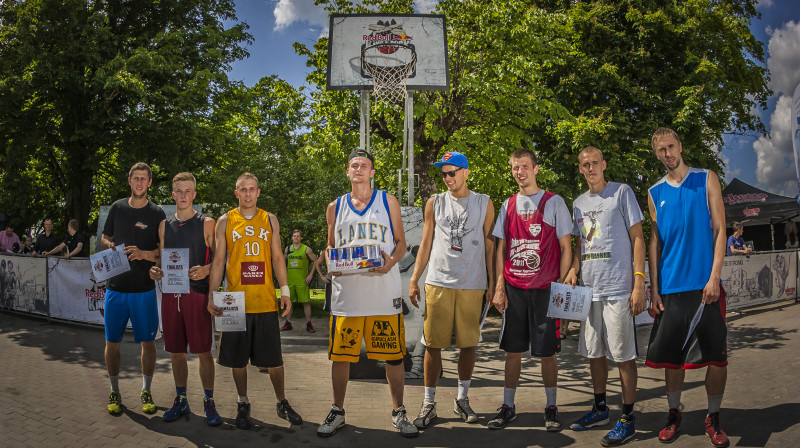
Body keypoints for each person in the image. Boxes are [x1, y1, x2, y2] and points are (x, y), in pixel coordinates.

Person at [317, 149, 417, 438]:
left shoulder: (388, 201)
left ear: (372, 172)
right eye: (354, 165)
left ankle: (399, 411)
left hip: (382, 296)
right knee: (341, 357)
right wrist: (330, 261)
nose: (359, 169)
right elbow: (329, 246)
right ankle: (337, 411)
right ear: (347, 172)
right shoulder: (335, 207)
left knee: (394, 358)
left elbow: (401, 243)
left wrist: (391, 262)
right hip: (347, 298)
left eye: (364, 165)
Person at [647, 127, 729, 447]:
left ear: (680, 146)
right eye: (661, 150)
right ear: (656, 155)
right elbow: (655, 243)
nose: (668, 154)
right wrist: (654, 290)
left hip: (706, 286)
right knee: (673, 360)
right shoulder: (654, 192)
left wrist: (714, 277)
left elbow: (721, 229)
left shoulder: (706, 177)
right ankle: (673, 413)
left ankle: (713, 416)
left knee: (717, 359)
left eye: (671, 147)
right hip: (670, 289)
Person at [206, 172, 303, 430]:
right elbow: (218, 261)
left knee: (273, 360)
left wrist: (285, 290)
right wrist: (211, 294)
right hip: (234, 301)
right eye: (242, 189)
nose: (248, 193)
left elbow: (277, 258)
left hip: (264, 300)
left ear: (258, 192)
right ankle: (243, 402)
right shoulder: (225, 220)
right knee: (237, 360)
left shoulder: (269, 219)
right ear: (236, 193)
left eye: (252, 189)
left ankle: (281, 402)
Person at [564, 147, 646, 447]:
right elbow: (580, 248)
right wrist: (573, 271)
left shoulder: (621, 193)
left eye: (595, 162)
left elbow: (638, 237)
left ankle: (627, 417)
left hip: (618, 289)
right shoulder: (578, 204)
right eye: (585, 164)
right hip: (590, 290)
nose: (590, 168)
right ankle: (600, 409)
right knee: (594, 353)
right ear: (581, 169)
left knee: (623, 356)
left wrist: (639, 282)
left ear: (604, 165)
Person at [407, 151, 495, 429]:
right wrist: (414, 278)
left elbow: (491, 245)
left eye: (452, 172)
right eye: (443, 173)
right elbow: (425, 243)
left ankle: (462, 399)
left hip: (472, 283)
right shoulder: (435, 202)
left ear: (466, 172)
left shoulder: (484, 203)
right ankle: (429, 403)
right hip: (438, 282)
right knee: (432, 344)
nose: (447, 178)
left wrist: (495, 283)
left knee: (469, 344)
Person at [490, 147, 573, 431]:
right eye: (515, 167)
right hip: (515, 288)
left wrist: (561, 288)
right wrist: (499, 287)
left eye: (524, 166)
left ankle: (551, 407)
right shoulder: (508, 204)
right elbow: (501, 249)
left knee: (547, 353)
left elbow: (566, 248)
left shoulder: (554, 202)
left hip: (545, 289)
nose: (520, 172)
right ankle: (508, 406)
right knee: (513, 352)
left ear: (536, 168)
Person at [148, 172, 221, 425]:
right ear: (172, 194)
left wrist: (206, 269)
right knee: (176, 352)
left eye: (188, 191)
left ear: (195, 194)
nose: (183, 195)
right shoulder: (163, 225)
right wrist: (155, 270)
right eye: (178, 191)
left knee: (203, 352)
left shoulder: (207, 223)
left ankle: (209, 401)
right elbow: (160, 258)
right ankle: (181, 400)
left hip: (197, 295)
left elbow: (224, 260)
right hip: (171, 295)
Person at [100, 162, 166, 416]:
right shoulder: (117, 208)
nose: (139, 182)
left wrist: (144, 254)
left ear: (149, 182)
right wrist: (109, 246)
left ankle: (146, 390)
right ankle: (114, 390)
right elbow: (105, 238)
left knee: (148, 344)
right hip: (115, 289)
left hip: (144, 291)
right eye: (135, 178)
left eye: (144, 179)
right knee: (111, 343)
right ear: (129, 180)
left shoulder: (157, 213)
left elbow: (163, 252)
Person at [280, 229, 319, 333]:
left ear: (300, 238)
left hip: (302, 281)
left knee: (306, 302)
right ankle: (288, 323)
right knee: (289, 303)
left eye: (298, 236)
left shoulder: (306, 249)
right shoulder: (288, 249)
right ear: (292, 237)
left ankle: (309, 324)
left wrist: (311, 275)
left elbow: (316, 261)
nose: (296, 238)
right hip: (290, 281)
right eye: (294, 236)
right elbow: (282, 263)